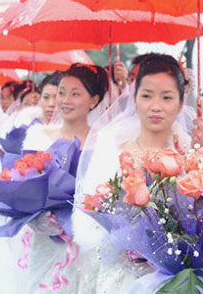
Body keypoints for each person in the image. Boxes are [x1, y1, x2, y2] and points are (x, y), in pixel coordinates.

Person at [73, 54, 194, 293]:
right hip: (121, 276)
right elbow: (88, 218)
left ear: (181, 103)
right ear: (135, 99)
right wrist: (128, 250)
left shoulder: (190, 159)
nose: (155, 106)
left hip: (173, 279)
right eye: (147, 96)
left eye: (167, 97)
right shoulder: (111, 152)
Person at [23, 63, 109, 293]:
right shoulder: (38, 137)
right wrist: (40, 217)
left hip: (89, 244)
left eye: (75, 94)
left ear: (94, 100)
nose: (65, 100)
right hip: (48, 241)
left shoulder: (105, 142)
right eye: (61, 93)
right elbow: (23, 185)